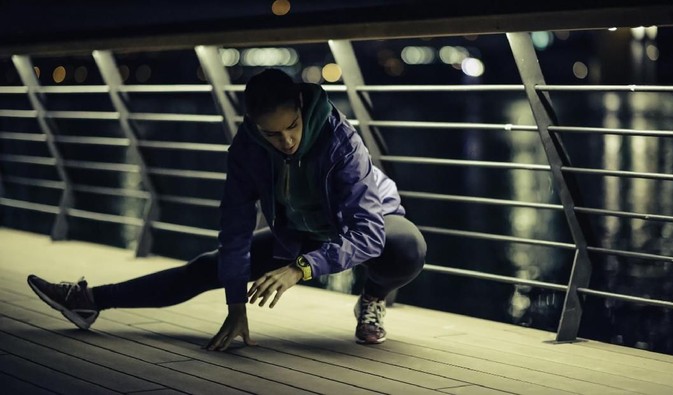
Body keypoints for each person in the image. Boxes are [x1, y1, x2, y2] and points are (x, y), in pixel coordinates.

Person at [27, 68, 426, 348]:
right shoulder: (247, 151)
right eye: (273, 133)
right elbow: (234, 231)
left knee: (407, 247)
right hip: (301, 232)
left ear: (301, 108)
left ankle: (372, 298)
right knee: (208, 265)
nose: (286, 141)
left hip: (367, 222)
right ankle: (88, 300)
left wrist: (300, 268)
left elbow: (368, 233)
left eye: (292, 128)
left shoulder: (342, 141)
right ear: (253, 125)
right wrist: (236, 305)